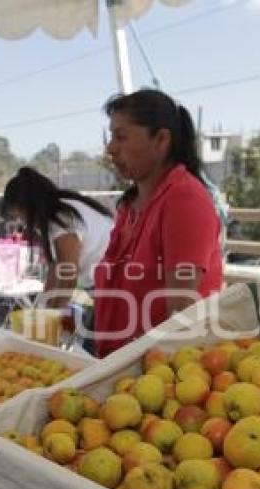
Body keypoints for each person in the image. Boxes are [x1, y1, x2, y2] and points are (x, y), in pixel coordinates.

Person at [94, 89, 223, 358]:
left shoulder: (184, 199)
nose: (110, 148)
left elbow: (180, 312)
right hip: (116, 363)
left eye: (121, 136)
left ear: (161, 139)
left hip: (155, 372)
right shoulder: (130, 205)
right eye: (111, 137)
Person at [2, 167, 113, 310]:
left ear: (29, 205)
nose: (20, 221)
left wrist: (50, 316)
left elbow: (68, 278)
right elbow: (56, 267)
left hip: (115, 282)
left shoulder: (61, 218)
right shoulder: (59, 211)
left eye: (20, 215)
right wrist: (42, 306)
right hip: (106, 282)